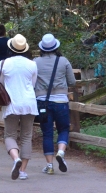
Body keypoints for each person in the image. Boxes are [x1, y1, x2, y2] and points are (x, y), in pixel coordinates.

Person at [34, 34, 76, 174]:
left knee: (47, 134)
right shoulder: (63, 61)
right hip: (61, 102)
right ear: (56, 47)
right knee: (63, 129)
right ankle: (61, 152)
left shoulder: (35, 62)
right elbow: (72, 82)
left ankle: (50, 166)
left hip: (43, 103)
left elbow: (32, 83)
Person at [0, 34, 38, 180]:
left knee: (10, 135)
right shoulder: (32, 64)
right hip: (29, 102)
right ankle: (22, 171)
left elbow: (1, 84)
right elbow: (33, 85)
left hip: (11, 103)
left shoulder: (4, 63)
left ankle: (16, 159)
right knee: (27, 136)